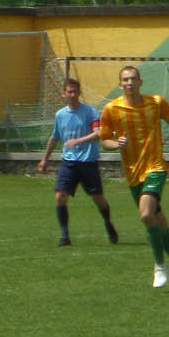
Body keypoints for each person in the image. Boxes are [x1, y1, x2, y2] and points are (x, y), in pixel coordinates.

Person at [98, 64, 169, 290]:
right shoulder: (112, 109)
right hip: (133, 173)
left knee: (145, 214)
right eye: (125, 79)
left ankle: (160, 266)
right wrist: (116, 143)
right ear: (120, 84)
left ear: (140, 82)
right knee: (158, 222)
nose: (130, 83)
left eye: (133, 79)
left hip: (155, 167)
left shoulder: (156, 102)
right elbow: (104, 139)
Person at [36, 77, 119, 246]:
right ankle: (65, 236)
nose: (72, 95)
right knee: (60, 196)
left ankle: (108, 223)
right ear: (64, 94)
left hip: (88, 162)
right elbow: (55, 137)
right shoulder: (60, 115)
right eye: (69, 92)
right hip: (69, 163)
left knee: (98, 198)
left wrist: (78, 141)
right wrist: (45, 159)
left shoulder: (90, 112)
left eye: (75, 91)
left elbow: (98, 133)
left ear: (79, 93)